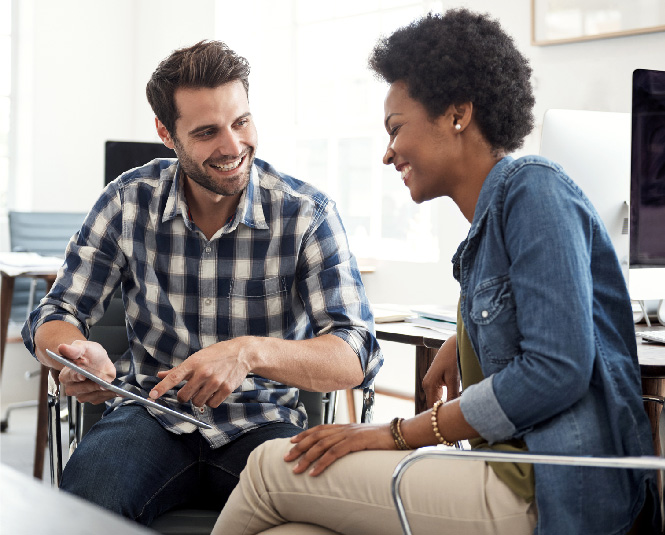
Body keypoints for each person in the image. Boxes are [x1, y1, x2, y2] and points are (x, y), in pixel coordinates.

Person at [213, 10, 660, 535]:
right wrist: (464, 332)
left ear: (457, 114)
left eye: (396, 128)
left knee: (270, 468)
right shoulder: (490, 226)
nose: (386, 153)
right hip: (517, 475)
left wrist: (398, 433)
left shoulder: (534, 188)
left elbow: (555, 369)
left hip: (553, 493)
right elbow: (529, 319)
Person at [22, 40, 382, 526]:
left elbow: (354, 352)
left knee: (312, 522)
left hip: (263, 424)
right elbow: (54, 314)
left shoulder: (307, 214)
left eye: (241, 122)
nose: (233, 147)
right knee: (81, 506)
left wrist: (248, 353)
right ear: (166, 134)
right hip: (150, 416)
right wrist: (74, 352)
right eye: (208, 131)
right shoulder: (129, 200)